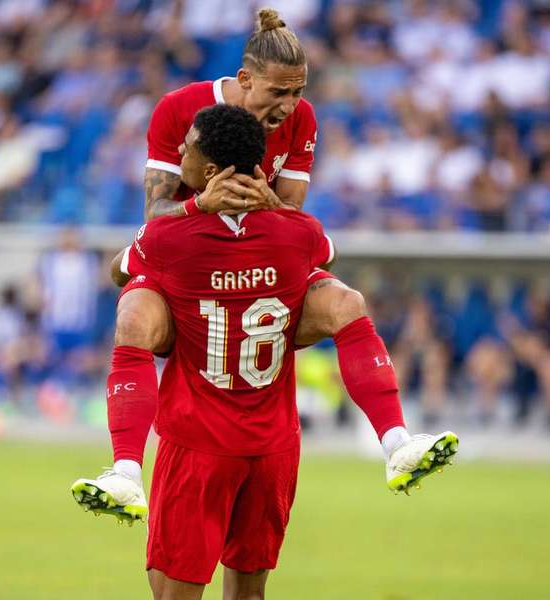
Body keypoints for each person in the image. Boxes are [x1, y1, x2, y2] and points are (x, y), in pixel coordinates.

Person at [73, 7, 457, 515]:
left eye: (298, 92)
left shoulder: (302, 120)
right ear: (246, 78)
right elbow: (157, 209)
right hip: (187, 253)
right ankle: (125, 472)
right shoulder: (179, 110)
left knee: (346, 302)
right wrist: (202, 205)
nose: (290, 105)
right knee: (133, 315)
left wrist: (265, 204)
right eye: (279, 92)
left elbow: (289, 214)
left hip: (255, 259)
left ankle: (396, 444)